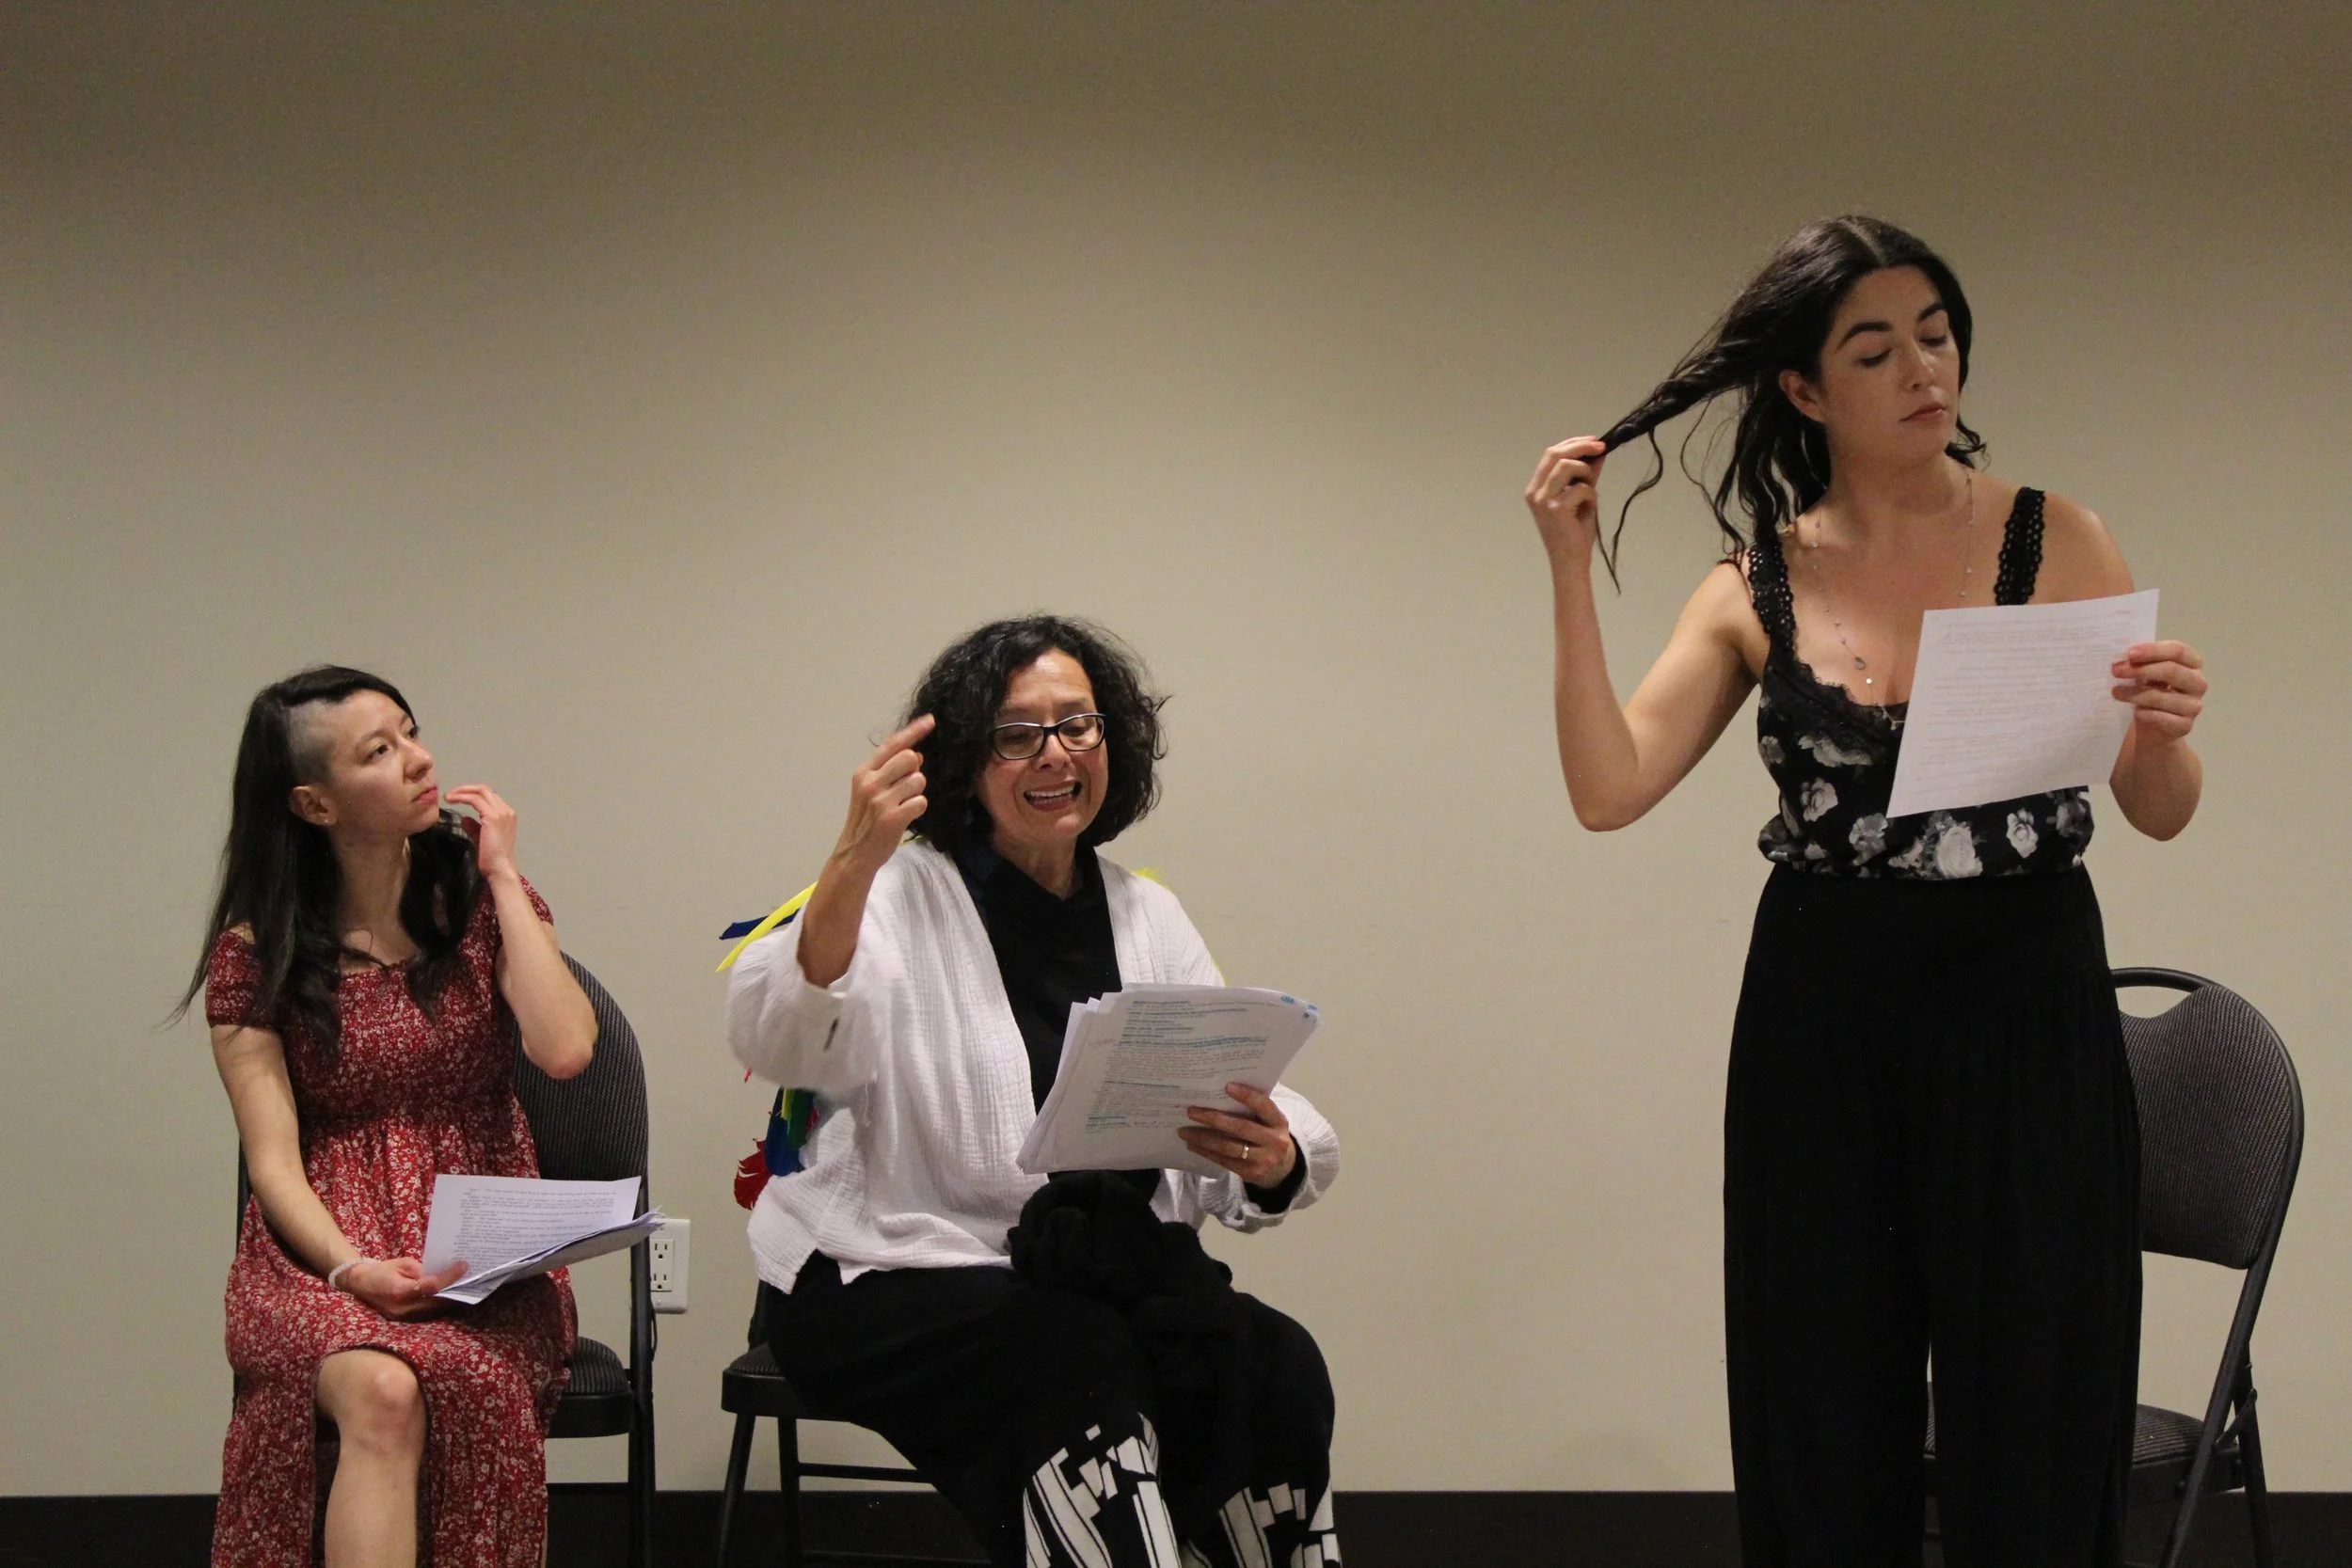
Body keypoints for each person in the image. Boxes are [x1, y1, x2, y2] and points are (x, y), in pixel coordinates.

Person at [1522, 217, 2208, 1567]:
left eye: (1938, 335)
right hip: (1822, 1015)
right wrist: (1566, 571)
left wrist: (2165, 726)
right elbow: (1608, 788)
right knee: (1822, 1385)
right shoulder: (1752, 582)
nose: (1923, 369)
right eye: (1877, 348)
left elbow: (2160, 807)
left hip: (2025, 1000)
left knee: (2036, 1384)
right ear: (1803, 387)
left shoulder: (2058, 537)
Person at [728, 615, 1343, 1568]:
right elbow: (781, 1038)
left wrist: (1276, 1154)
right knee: (1079, 1359)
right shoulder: (897, 892)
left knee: (1277, 1364)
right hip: (889, 1265)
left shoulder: (1146, 911)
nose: (1054, 753)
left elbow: (1238, 1084)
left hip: (1089, 1269)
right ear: (965, 760)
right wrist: (850, 860)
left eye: (1077, 724)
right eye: (1017, 734)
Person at [180, 666, 598, 1568]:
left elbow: (566, 1048)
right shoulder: (256, 955)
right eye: (379, 751)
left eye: (410, 732)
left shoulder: (481, 903)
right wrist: (351, 1267)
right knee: (382, 1389)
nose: (419, 760)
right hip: (319, 1261)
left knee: (453, 1381)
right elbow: (273, 1162)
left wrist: (503, 874)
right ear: (315, 804)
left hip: (477, 1261)